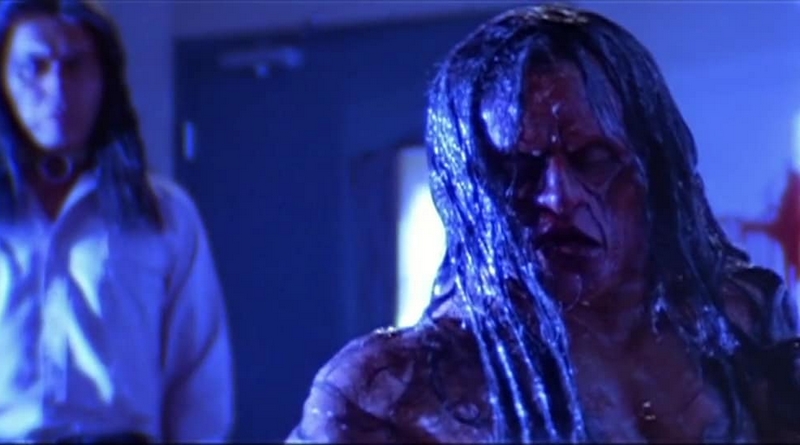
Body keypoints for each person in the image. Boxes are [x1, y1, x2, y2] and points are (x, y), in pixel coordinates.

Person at [287, 4, 800, 443]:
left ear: (657, 172)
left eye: (593, 158)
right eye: (518, 169)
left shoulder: (744, 330)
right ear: (470, 193)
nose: (559, 198)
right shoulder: (392, 391)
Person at [0, 0, 234, 442]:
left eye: (75, 65)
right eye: (35, 66)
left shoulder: (163, 212)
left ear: (106, 78)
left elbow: (199, 376)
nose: (57, 88)